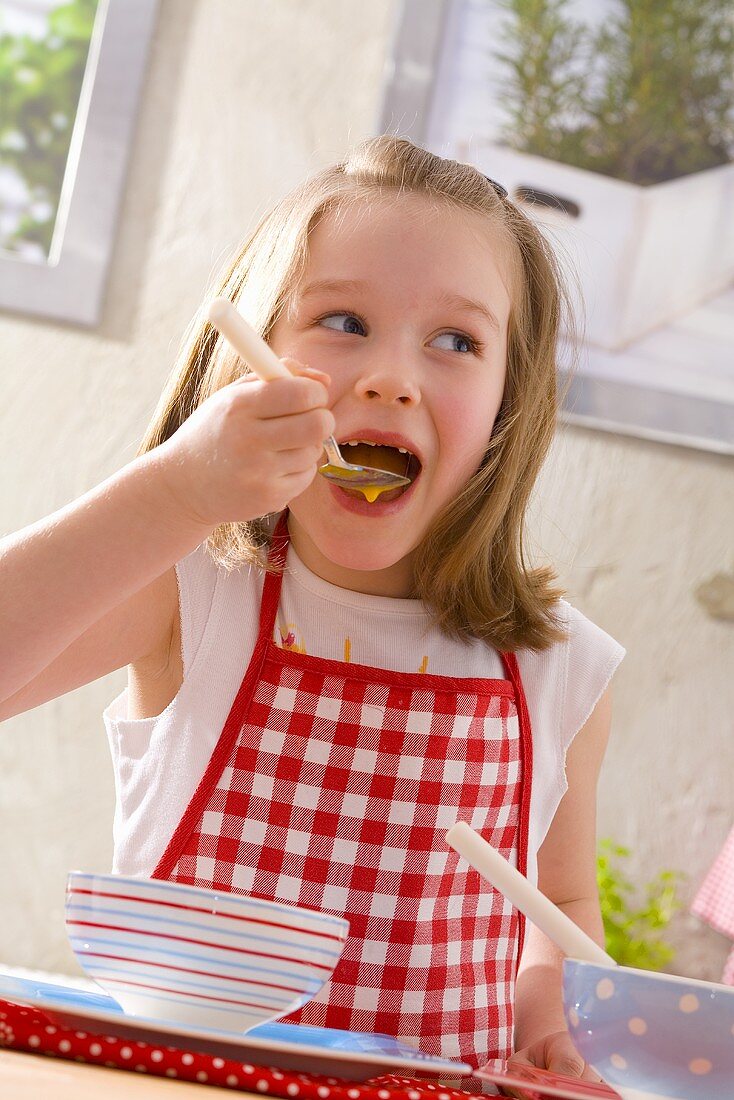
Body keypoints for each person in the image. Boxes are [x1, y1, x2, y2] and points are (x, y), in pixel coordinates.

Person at [0, 136, 623, 1079]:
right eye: (341, 321)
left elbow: (559, 909)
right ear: (253, 353)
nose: (391, 377)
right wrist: (174, 494)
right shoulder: (197, 590)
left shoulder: (559, 663)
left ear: (508, 398)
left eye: (457, 341)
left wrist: (553, 1027)